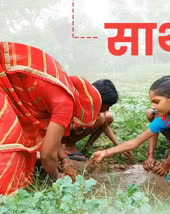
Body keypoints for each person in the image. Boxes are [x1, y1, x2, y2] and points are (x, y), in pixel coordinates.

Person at [0, 42, 102, 195]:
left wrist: (65, 160)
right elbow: (47, 155)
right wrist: (57, 177)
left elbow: (50, 134)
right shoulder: (66, 103)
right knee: (11, 153)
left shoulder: (63, 86)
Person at [62, 79, 133, 161]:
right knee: (101, 118)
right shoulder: (74, 102)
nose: (108, 109)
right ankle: (66, 146)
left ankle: (85, 148)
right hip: (61, 133)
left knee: (107, 117)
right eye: (107, 106)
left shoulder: (94, 109)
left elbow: (105, 125)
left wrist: (119, 146)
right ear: (98, 100)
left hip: (71, 130)